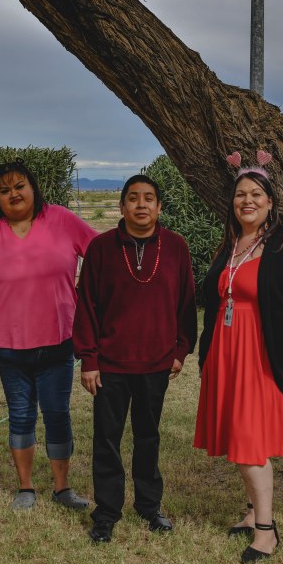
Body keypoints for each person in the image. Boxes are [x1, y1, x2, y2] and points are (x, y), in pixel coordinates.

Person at [194, 164, 283, 564]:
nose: (246, 201)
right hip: (227, 356)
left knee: (249, 443)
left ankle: (266, 531)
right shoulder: (230, 243)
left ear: (270, 202)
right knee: (239, 438)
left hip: (263, 358)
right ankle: (252, 512)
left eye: (255, 194)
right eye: (240, 194)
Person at [0, 161, 98, 510]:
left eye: (20, 186)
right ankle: (26, 487)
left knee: (57, 413)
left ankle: (62, 488)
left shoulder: (61, 219)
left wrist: (86, 295)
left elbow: (100, 254)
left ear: (33, 187)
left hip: (58, 342)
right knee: (20, 414)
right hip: (8, 346)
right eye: (4, 190)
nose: (13, 194)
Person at [74, 175, 197, 543]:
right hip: (109, 364)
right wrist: (88, 359)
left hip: (157, 362)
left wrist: (180, 350)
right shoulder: (101, 248)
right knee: (106, 439)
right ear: (122, 206)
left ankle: (149, 506)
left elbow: (186, 302)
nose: (141, 205)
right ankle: (107, 513)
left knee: (148, 437)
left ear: (159, 207)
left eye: (148, 198)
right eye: (133, 198)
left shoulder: (175, 247)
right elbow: (86, 306)